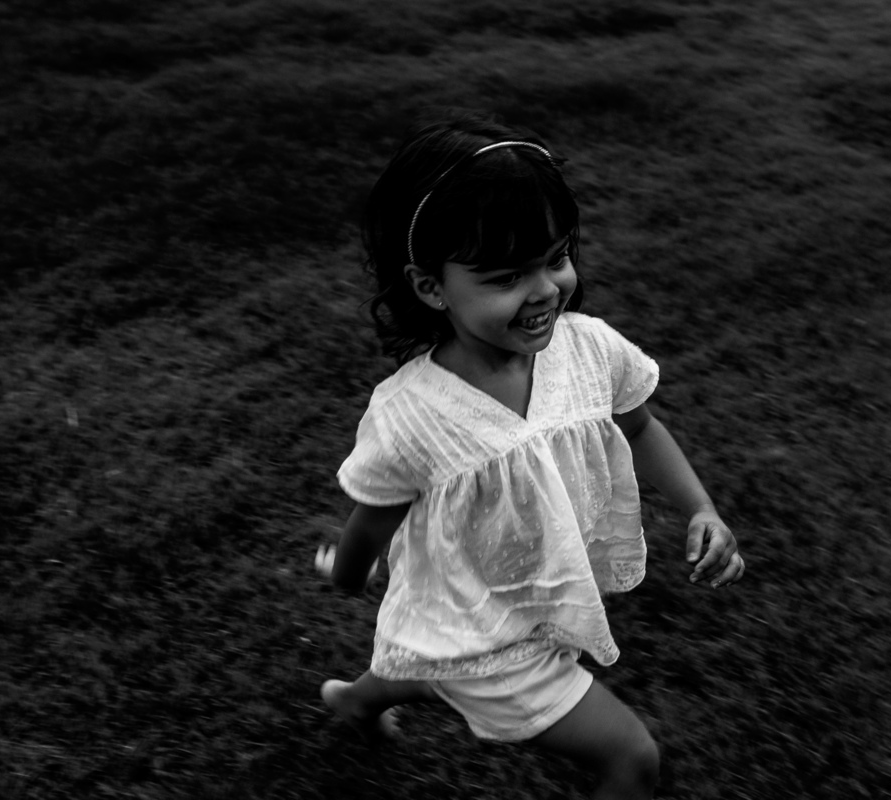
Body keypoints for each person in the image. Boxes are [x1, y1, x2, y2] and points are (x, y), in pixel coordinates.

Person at [316, 112, 745, 800]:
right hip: (494, 638)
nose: (545, 289)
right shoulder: (411, 415)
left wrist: (702, 509)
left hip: (493, 596)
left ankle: (357, 701)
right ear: (431, 287)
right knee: (631, 760)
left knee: (432, 652)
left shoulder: (589, 349)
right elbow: (373, 517)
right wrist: (348, 573)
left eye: (555, 257)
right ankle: (374, 694)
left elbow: (637, 427)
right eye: (507, 276)